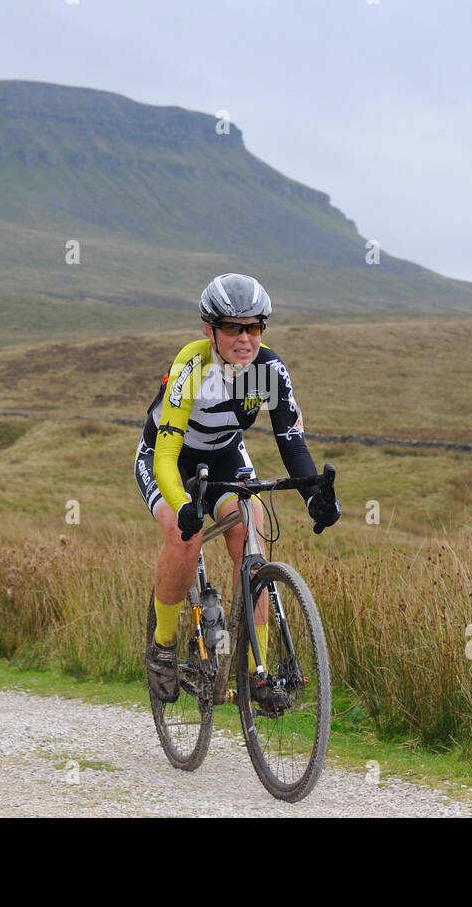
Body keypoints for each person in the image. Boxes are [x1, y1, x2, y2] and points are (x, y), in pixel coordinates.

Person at [134, 273, 341, 710]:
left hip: (226, 455)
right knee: (182, 535)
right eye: (233, 327)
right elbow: (167, 457)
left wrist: (313, 499)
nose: (245, 338)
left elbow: (291, 443)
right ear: (210, 330)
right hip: (169, 458)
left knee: (253, 532)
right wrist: (183, 504)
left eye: (254, 327)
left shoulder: (268, 370)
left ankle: (256, 671)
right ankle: (164, 646)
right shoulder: (192, 367)